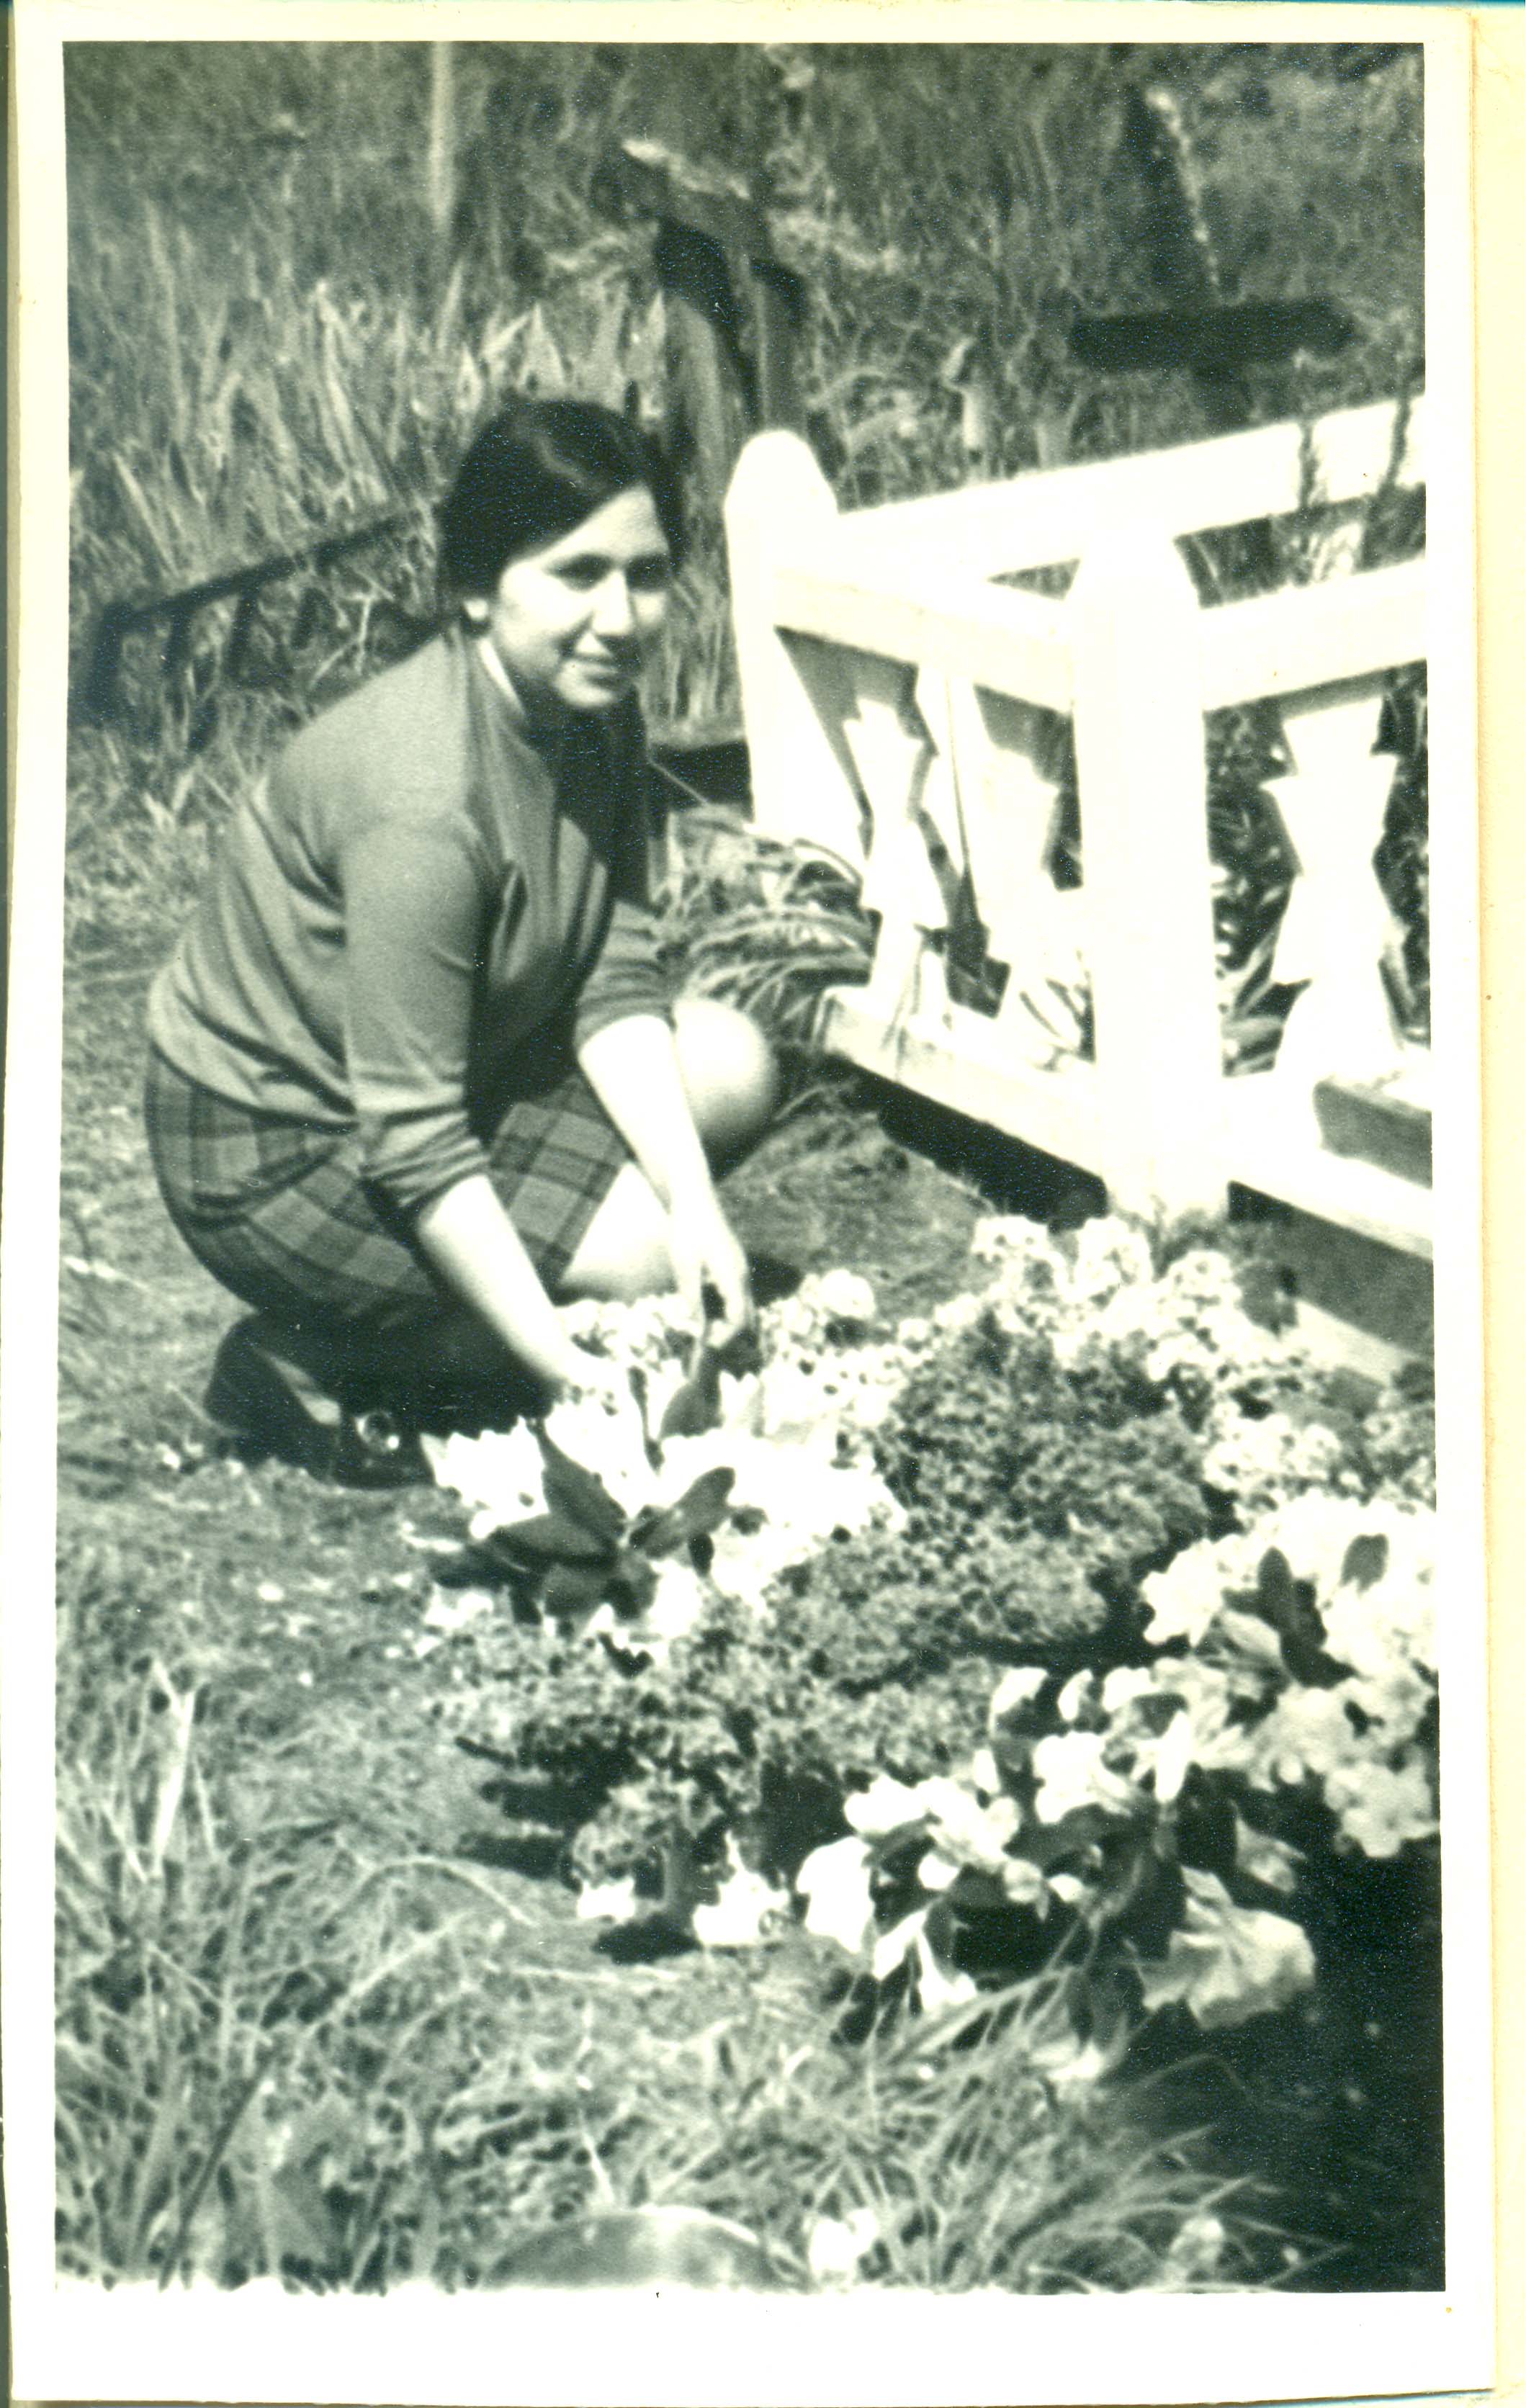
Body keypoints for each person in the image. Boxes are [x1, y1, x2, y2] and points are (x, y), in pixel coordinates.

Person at [144, 396, 777, 1485]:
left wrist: (699, 1204)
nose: (622, 618)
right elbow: (415, 1137)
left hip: (429, 1064)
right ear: (478, 588)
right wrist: (559, 1368)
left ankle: (528, 1275)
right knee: (634, 1269)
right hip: (274, 1138)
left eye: (649, 573)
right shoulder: (426, 801)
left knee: (730, 1063)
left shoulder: (594, 710)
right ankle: (310, 1356)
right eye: (578, 574)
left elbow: (613, 977)